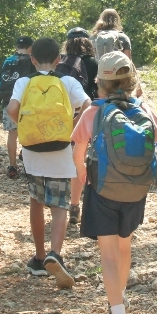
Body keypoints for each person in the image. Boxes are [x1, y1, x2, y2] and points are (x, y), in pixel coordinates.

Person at [71, 51, 157, 314]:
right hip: (135, 191)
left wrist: (83, 175)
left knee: (108, 254)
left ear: (100, 83)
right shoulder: (144, 109)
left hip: (102, 188)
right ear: (132, 82)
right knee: (124, 246)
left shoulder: (93, 112)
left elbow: (77, 155)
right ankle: (120, 297)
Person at [7, 37, 91, 288]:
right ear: (58, 59)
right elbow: (88, 105)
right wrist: (72, 127)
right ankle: (56, 253)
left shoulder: (24, 82)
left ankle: (39, 257)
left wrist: (25, 126)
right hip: (61, 150)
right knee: (59, 205)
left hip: (33, 152)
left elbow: (12, 108)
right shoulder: (67, 82)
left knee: (36, 201)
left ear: (32, 59)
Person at [59, 27, 98, 225]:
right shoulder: (93, 63)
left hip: (63, 115)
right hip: (87, 114)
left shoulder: (61, 63)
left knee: (63, 159)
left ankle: (59, 202)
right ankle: (75, 205)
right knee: (79, 159)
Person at [0, 36, 35, 179]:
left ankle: (12, 166)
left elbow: (0, 81)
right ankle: (28, 165)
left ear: (16, 47)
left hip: (9, 101)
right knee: (28, 133)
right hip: (27, 102)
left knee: (12, 133)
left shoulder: (8, 61)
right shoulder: (32, 61)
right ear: (30, 48)